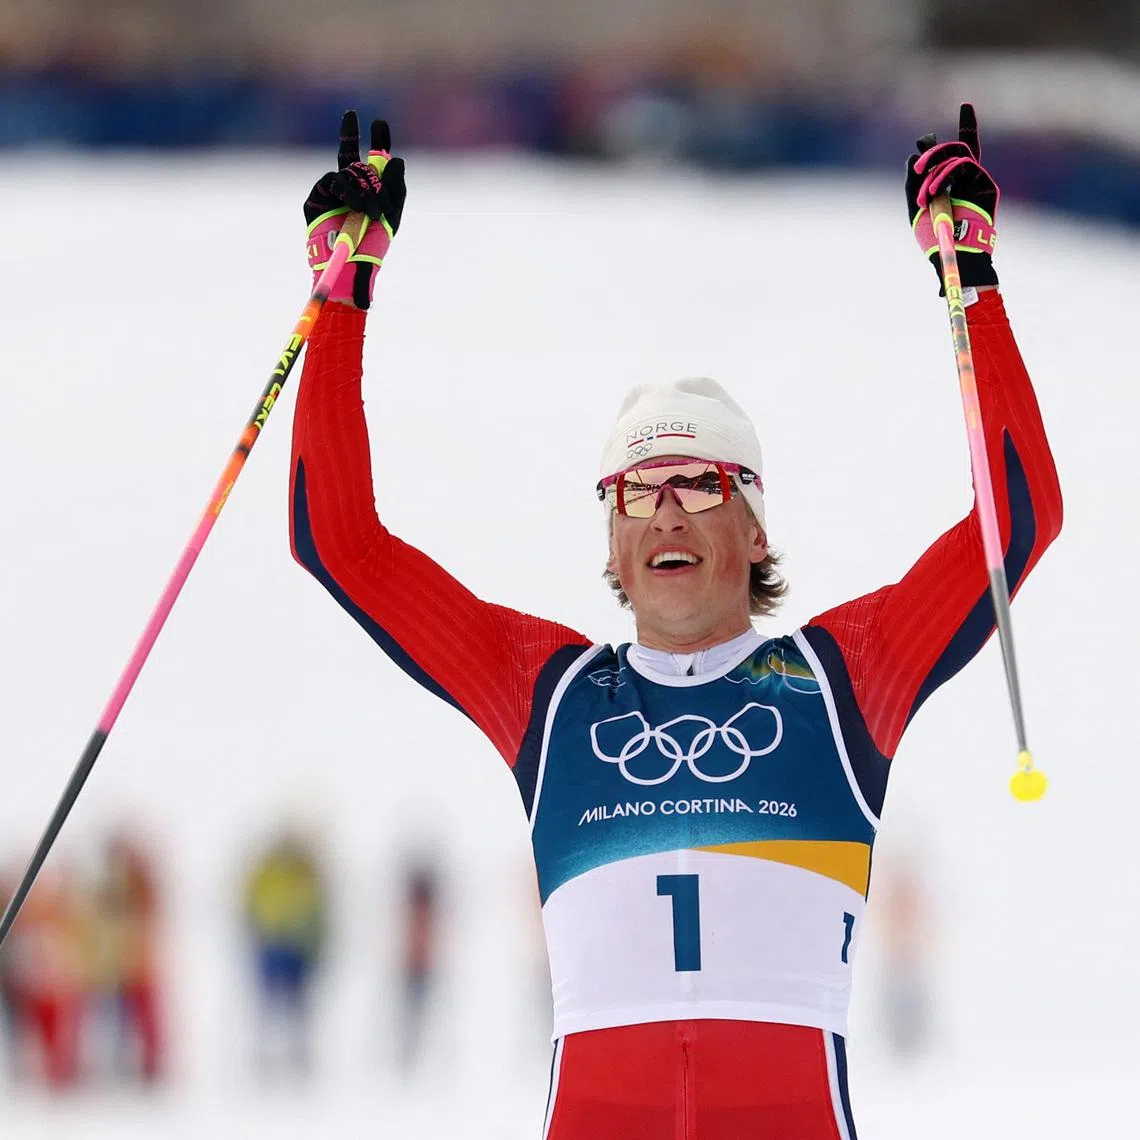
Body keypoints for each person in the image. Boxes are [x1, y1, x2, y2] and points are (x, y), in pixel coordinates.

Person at [289, 107, 1062, 1138]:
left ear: (754, 529)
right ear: (609, 547)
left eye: (699, 485)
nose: (664, 511)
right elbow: (335, 539)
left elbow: (1017, 517)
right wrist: (339, 296)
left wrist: (970, 278)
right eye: (635, 491)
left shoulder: (842, 680)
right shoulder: (548, 693)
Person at [243, 827, 326, 1077]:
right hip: (272, 944)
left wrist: (316, 942)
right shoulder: (269, 869)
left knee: (298, 1004)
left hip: (298, 947)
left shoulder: (306, 869)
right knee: (270, 1002)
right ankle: (266, 1054)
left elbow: (317, 908)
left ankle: (297, 1053)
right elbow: (251, 902)